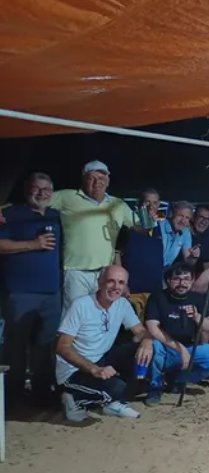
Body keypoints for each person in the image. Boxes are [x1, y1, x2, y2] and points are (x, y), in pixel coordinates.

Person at [55, 266, 153, 421]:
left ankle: (110, 401)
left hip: (101, 359)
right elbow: (62, 346)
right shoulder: (81, 305)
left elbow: (140, 331)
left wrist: (147, 342)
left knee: (143, 352)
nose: (116, 287)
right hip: (74, 370)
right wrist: (93, 369)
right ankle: (73, 398)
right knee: (117, 387)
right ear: (100, 283)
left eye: (121, 282)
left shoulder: (122, 304)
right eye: (110, 281)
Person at [0, 172, 62, 406]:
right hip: (20, 292)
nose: (42, 193)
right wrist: (33, 244)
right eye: (37, 188)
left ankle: (42, 392)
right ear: (27, 190)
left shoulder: (56, 215)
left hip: (52, 293)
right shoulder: (11, 214)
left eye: (47, 189)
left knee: (45, 345)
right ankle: (13, 394)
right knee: (16, 345)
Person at [49, 161, 135, 310]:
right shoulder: (67, 196)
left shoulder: (118, 204)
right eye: (92, 178)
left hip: (105, 274)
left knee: (101, 314)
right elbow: (34, 202)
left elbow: (140, 227)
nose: (97, 182)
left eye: (101, 178)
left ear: (108, 181)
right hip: (76, 272)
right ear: (83, 179)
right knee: (75, 314)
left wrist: (150, 219)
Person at [144, 263, 209, 406]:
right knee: (154, 346)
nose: (182, 283)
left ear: (192, 280)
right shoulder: (158, 296)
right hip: (165, 346)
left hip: (191, 347)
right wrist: (180, 349)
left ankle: (178, 380)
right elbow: (152, 327)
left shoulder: (197, 298)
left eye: (186, 279)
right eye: (177, 279)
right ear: (168, 280)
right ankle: (155, 387)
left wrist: (197, 317)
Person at [160, 200, 197, 267]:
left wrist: (194, 256)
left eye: (187, 218)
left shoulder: (185, 232)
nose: (183, 221)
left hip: (165, 271)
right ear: (172, 214)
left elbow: (188, 261)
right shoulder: (158, 227)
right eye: (180, 216)